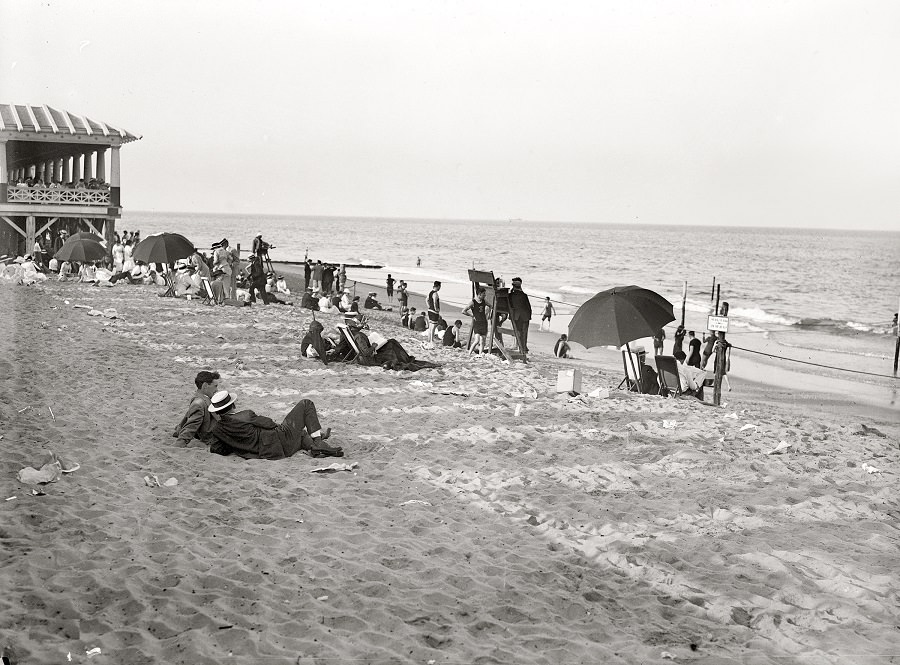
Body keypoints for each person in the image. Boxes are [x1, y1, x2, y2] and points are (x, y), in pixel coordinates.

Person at [206, 390, 343, 459]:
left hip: (270, 453)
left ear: (217, 412)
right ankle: (318, 442)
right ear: (233, 404)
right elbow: (270, 424)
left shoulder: (217, 429)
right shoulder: (246, 415)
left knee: (300, 433)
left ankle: (314, 447)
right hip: (279, 440)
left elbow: (217, 449)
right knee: (306, 404)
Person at [173, 371, 220, 447]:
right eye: (215, 386)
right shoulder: (199, 403)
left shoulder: (203, 399)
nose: (217, 390)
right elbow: (191, 426)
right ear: (205, 385)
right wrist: (181, 442)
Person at [462, 288, 491, 355]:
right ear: (479, 294)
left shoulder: (484, 301)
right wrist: (472, 315)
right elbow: (463, 311)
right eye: (484, 294)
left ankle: (480, 354)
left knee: (483, 340)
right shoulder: (473, 302)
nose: (485, 295)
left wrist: (487, 313)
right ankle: (469, 353)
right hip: (477, 323)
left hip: (484, 322)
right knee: (477, 340)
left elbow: (490, 306)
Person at [508, 277, 532, 353]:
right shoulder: (524, 295)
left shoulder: (510, 295)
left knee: (519, 333)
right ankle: (523, 349)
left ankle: (521, 348)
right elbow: (528, 307)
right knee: (524, 333)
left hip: (516, 316)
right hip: (525, 316)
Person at [425, 281, 441, 346]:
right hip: (434, 311)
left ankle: (430, 339)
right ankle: (431, 340)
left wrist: (428, 306)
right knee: (433, 326)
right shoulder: (435, 294)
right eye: (439, 286)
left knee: (431, 326)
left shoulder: (430, 292)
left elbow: (426, 300)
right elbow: (435, 302)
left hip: (430, 310)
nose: (440, 288)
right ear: (437, 286)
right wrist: (436, 308)